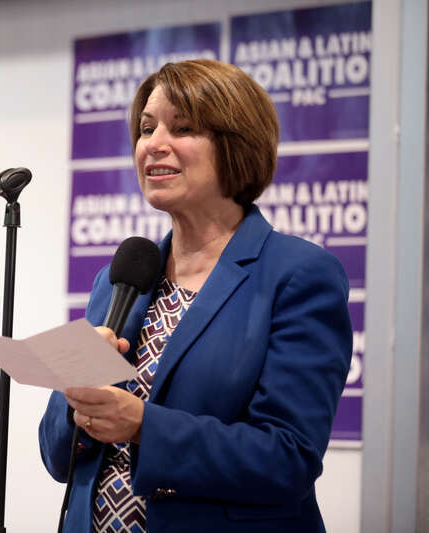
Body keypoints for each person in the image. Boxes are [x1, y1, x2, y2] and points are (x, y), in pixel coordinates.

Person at [39, 59, 352, 533]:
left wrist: (145, 424)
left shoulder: (299, 274)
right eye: (146, 128)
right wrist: (74, 394)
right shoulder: (118, 277)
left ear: (235, 145)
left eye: (182, 127)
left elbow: (288, 457)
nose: (154, 144)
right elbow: (56, 456)